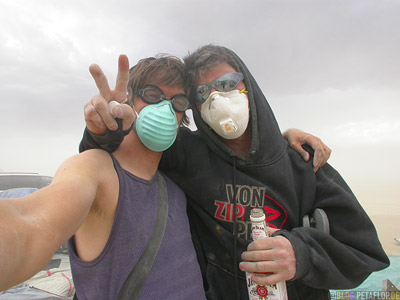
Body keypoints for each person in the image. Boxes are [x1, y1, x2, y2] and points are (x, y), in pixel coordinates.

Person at [79, 45, 389, 300]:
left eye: (227, 84)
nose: (216, 97)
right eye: (201, 93)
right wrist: (104, 129)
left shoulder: (303, 163)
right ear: (195, 109)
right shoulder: (187, 154)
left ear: (248, 86)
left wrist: (301, 254)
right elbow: (122, 154)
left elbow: (365, 251)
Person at [0, 55, 207, 300]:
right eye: (152, 95)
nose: (165, 108)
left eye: (178, 102)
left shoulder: (176, 189)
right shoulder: (96, 171)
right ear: (128, 102)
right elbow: (31, 226)